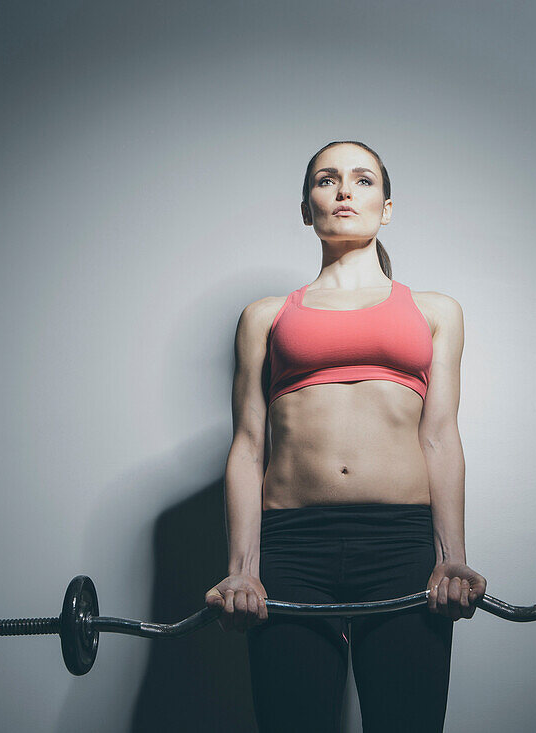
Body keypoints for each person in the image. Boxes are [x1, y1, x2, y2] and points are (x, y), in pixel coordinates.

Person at [205, 140, 487, 732]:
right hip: (292, 547)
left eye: (362, 180)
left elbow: (440, 438)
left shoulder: (437, 311)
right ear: (307, 208)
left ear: (386, 207)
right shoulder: (265, 316)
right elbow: (248, 446)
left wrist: (452, 559)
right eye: (326, 180)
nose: (343, 191)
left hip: (401, 544)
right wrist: (242, 569)